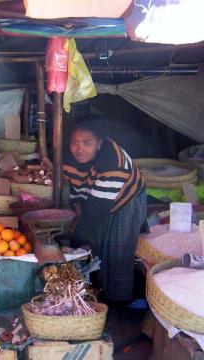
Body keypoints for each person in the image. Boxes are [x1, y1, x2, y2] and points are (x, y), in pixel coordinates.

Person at [63, 115, 146, 302]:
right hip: (98, 200)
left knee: (117, 252)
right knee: (96, 244)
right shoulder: (70, 159)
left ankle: (119, 302)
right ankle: (100, 289)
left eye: (87, 143)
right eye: (74, 142)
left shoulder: (112, 162)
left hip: (126, 201)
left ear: (99, 143)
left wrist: (74, 241)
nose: (79, 149)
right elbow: (76, 189)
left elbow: (94, 212)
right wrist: (77, 210)